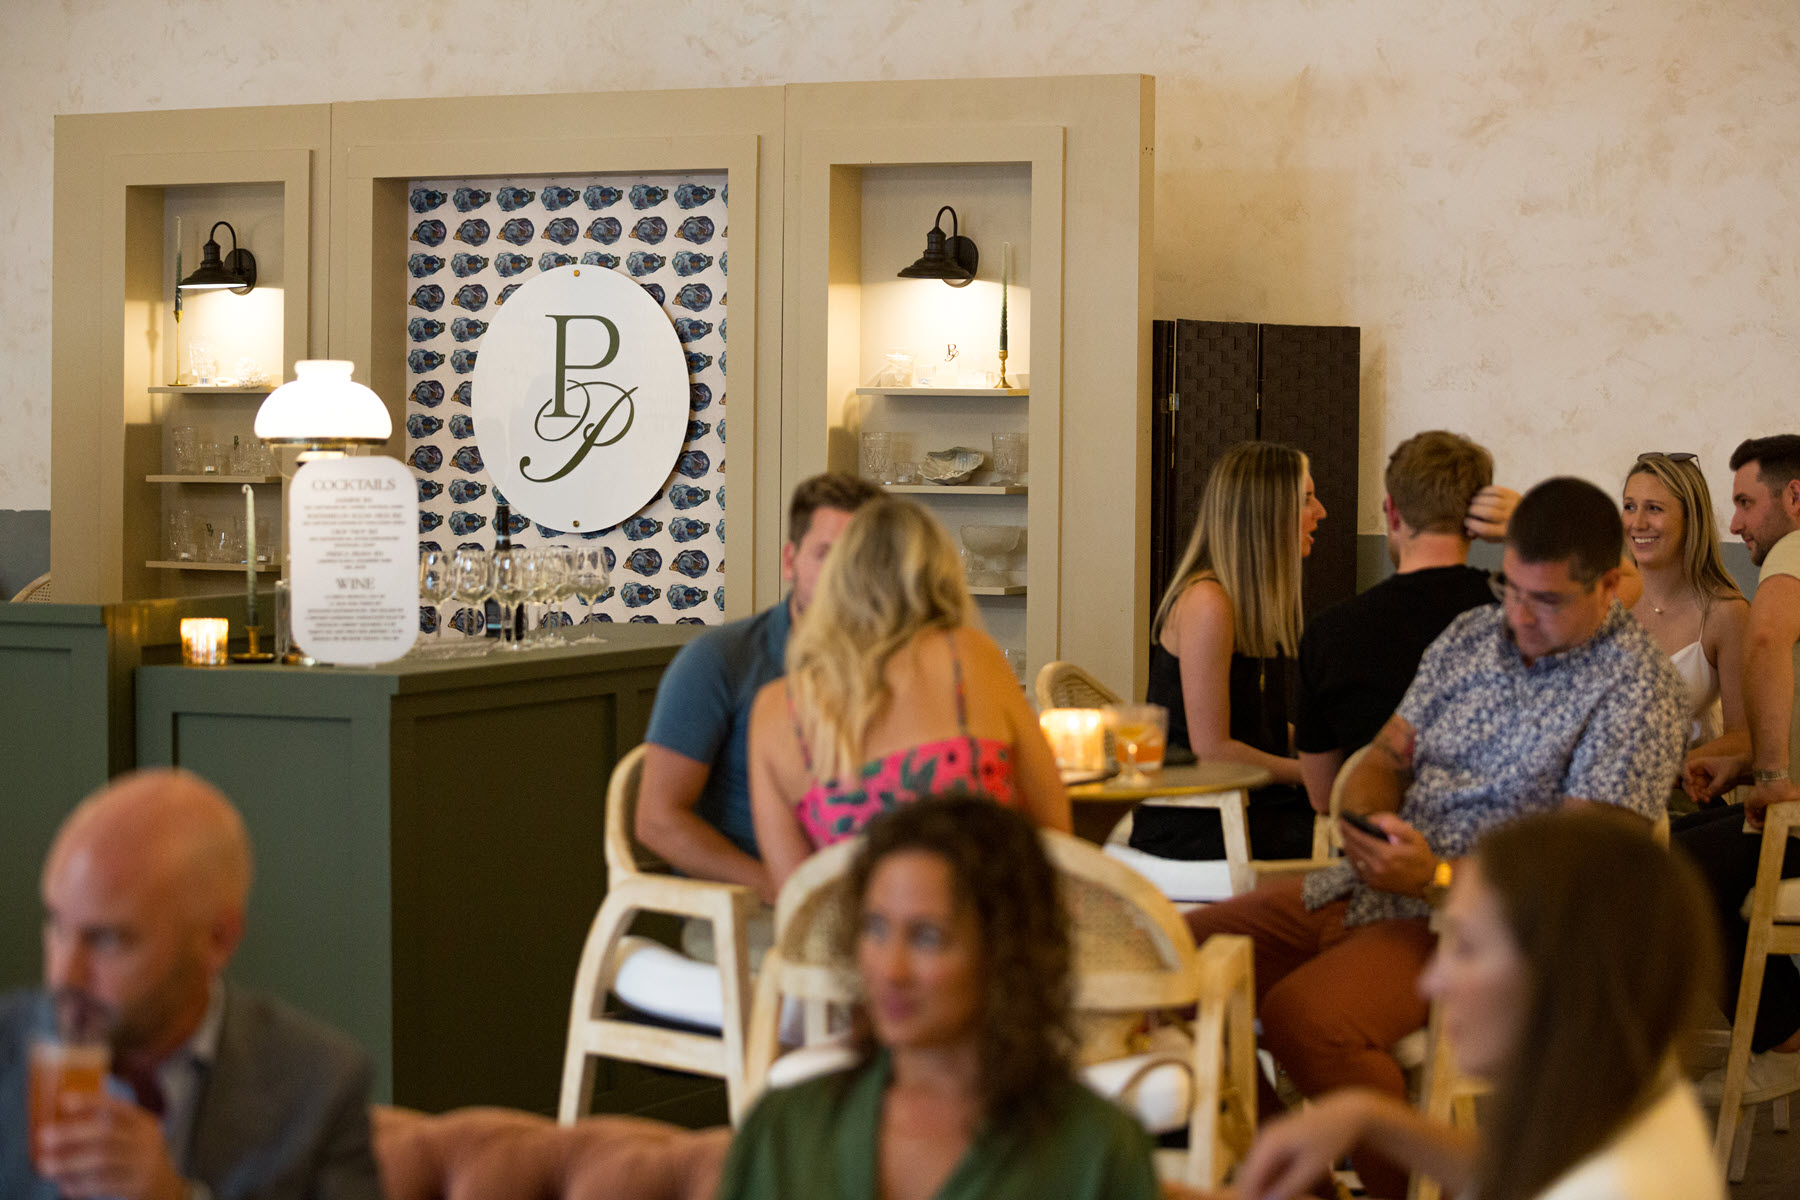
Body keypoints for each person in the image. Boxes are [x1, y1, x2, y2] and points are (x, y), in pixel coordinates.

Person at [1186, 476, 1686, 1199]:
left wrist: (1432, 878)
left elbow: (1576, 882)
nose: (1518, 615)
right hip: (1373, 883)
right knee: (1170, 963)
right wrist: (1363, 820)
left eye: (1545, 600)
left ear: (1611, 585)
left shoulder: (1635, 689)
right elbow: (1384, 758)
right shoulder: (1470, 635)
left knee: (1305, 1019)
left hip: (1486, 927)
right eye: (1509, 587)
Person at [1229, 809, 1724, 1200]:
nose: (1431, 982)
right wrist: (1367, 1116)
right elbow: (1510, 1174)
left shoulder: (1610, 1188)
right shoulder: (1637, 1088)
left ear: (1564, 974)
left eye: (1465, 948)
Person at [715, 798, 1159, 1200]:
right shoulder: (787, 1130)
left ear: (1005, 951)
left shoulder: (1094, 1152)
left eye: (927, 937)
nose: (891, 970)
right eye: (875, 928)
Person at [0, 769, 380, 1200]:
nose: (64, 975)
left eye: (108, 939)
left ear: (218, 940)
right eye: (57, 925)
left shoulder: (318, 1087)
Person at [748, 497, 1070, 891]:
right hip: (989, 936)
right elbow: (1055, 831)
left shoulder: (775, 708)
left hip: (853, 947)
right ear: (942, 576)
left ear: (837, 579)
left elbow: (795, 896)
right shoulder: (969, 656)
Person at [637, 473, 880, 905]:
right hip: (749, 908)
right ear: (790, 561)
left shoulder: (902, 665)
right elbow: (657, 819)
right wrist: (776, 887)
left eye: (862, 558)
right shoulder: (721, 659)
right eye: (827, 555)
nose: (846, 576)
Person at [1295, 430, 1517, 812]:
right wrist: (1529, 524)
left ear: (1393, 511)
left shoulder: (1327, 633)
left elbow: (1324, 797)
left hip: (1381, 851)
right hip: (1494, 852)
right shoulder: (1519, 612)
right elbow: (1623, 586)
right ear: (1473, 519)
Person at [1675, 434, 1800, 1103]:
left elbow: (1770, 635)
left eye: (1747, 502)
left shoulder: (1794, 550)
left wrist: (1774, 776)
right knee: (1670, 849)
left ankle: (1785, 1042)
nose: (1736, 524)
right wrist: (1749, 766)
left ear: (1795, 497)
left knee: (1665, 866)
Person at [1137, 441, 1326, 865]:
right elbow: (1214, 750)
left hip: (1243, 806)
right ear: (1267, 513)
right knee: (1360, 844)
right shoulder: (1209, 602)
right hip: (1198, 825)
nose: (1321, 512)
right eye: (1308, 500)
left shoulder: (1241, 601)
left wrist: (1333, 750)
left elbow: (1258, 727)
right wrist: (1313, 775)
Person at [1619, 453, 1749, 780]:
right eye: (1630, 506)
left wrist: (1661, 770)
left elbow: (1744, 740)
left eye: (1655, 508)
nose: (1638, 523)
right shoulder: (1603, 597)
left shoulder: (1725, 612)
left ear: (1691, 519)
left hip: (1678, 797)